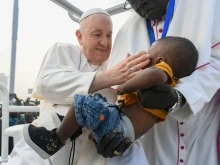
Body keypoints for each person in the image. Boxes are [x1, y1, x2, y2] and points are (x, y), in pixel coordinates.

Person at [2, 8, 150, 165]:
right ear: (80, 37)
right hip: (42, 155)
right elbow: (47, 85)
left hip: (94, 156)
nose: (105, 42)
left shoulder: (117, 63)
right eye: (97, 34)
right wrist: (108, 77)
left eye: (109, 35)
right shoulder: (63, 51)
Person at [23, 36, 198, 159]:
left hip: (117, 129)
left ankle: (54, 141)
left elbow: (152, 76)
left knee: (82, 102)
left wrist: (125, 84)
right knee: (97, 101)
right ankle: (73, 127)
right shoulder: (163, 83)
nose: (145, 58)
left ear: (161, 60)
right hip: (120, 129)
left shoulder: (161, 73)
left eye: (149, 55)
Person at [90, 0, 220, 164]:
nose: (139, 3)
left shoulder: (206, 5)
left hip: (201, 139)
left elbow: (216, 62)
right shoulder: (126, 31)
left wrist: (180, 97)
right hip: (153, 147)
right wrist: (106, 130)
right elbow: (114, 91)